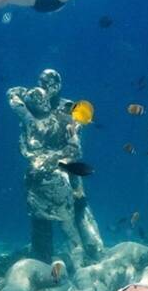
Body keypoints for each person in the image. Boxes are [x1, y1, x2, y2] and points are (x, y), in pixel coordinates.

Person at [6, 71, 104, 267]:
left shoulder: (70, 108)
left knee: (79, 210)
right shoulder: (33, 105)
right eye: (42, 83)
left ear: (59, 85)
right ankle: (41, 260)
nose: (47, 87)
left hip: (67, 171)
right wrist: (30, 95)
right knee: (39, 220)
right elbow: (11, 93)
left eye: (51, 83)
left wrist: (52, 161)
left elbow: (75, 149)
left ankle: (94, 254)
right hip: (38, 173)